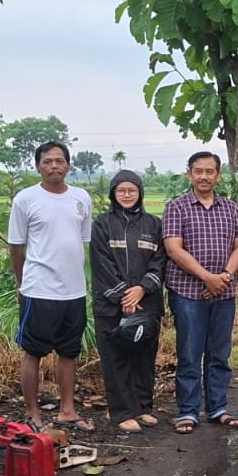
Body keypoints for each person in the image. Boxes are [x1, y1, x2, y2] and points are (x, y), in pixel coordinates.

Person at [7, 141, 94, 432]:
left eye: (59, 161)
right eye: (47, 162)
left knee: (69, 352)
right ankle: (32, 413)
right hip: (39, 290)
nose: (54, 166)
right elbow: (16, 246)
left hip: (74, 291)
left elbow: (82, 241)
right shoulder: (26, 199)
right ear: (38, 166)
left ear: (68, 165)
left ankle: (67, 410)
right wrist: (23, 285)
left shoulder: (81, 198)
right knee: (33, 351)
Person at [162, 150, 238, 433]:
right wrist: (207, 278)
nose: (203, 176)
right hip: (188, 292)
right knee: (189, 353)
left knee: (219, 353)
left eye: (209, 171)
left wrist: (223, 277)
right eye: (198, 171)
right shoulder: (177, 207)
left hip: (223, 293)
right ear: (189, 174)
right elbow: (174, 249)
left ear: (218, 175)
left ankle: (218, 408)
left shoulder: (229, 208)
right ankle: (188, 411)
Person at [90, 170, 167, 433]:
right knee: (115, 359)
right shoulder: (102, 224)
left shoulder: (153, 225)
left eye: (131, 190)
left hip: (146, 303)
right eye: (121, 190)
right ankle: (122, 412)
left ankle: (143, 407)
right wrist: (125, 294)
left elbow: (160, 262)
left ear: (140, 193)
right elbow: (102, 264)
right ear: (113, 193)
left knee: (144, 357)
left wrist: (141, 290)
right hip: (111, 304)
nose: (126, 195)